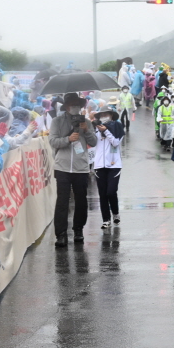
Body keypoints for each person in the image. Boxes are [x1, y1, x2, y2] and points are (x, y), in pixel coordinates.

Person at [49, 92, 98, 247]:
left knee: (81, 201)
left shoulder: (87, 122)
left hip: (81, 167)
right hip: (62, 167)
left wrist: (86, 130)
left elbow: (94, 142)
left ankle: (78, 230)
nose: (75, 107)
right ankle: (61, 234)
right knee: (62, 201)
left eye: (78, 104)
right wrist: (67, 139)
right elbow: (53, 141)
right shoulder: (57, 121)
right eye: (72, 104)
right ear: (67, 106)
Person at [93, 105, 125, 229]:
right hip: (99, 165)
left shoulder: (117, 127)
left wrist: (105, 131)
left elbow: (116, 142)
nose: (104, 116)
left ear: (111, 115)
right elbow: (91, 141)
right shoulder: (95, 129)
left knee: (111, 192)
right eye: (102, 114)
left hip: (114, 165)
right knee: (103, 194)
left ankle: (115, 212)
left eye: (107, 114)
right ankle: (106, 219)